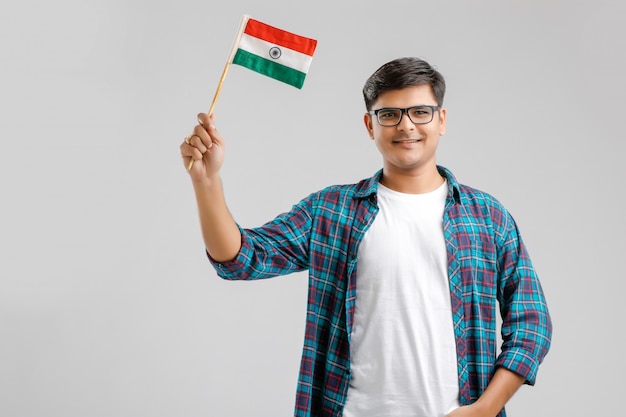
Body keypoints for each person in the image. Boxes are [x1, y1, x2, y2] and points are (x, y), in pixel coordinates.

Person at [179, 57, 552, 417]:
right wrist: (206, 182)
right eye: (389, 114)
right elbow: (241, 259)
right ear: (369, 125)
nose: (406, 126)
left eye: (420, 112)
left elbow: (532, 322)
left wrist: (485, 410)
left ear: (441, 120)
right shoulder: (331, 211)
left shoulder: (486, 217)